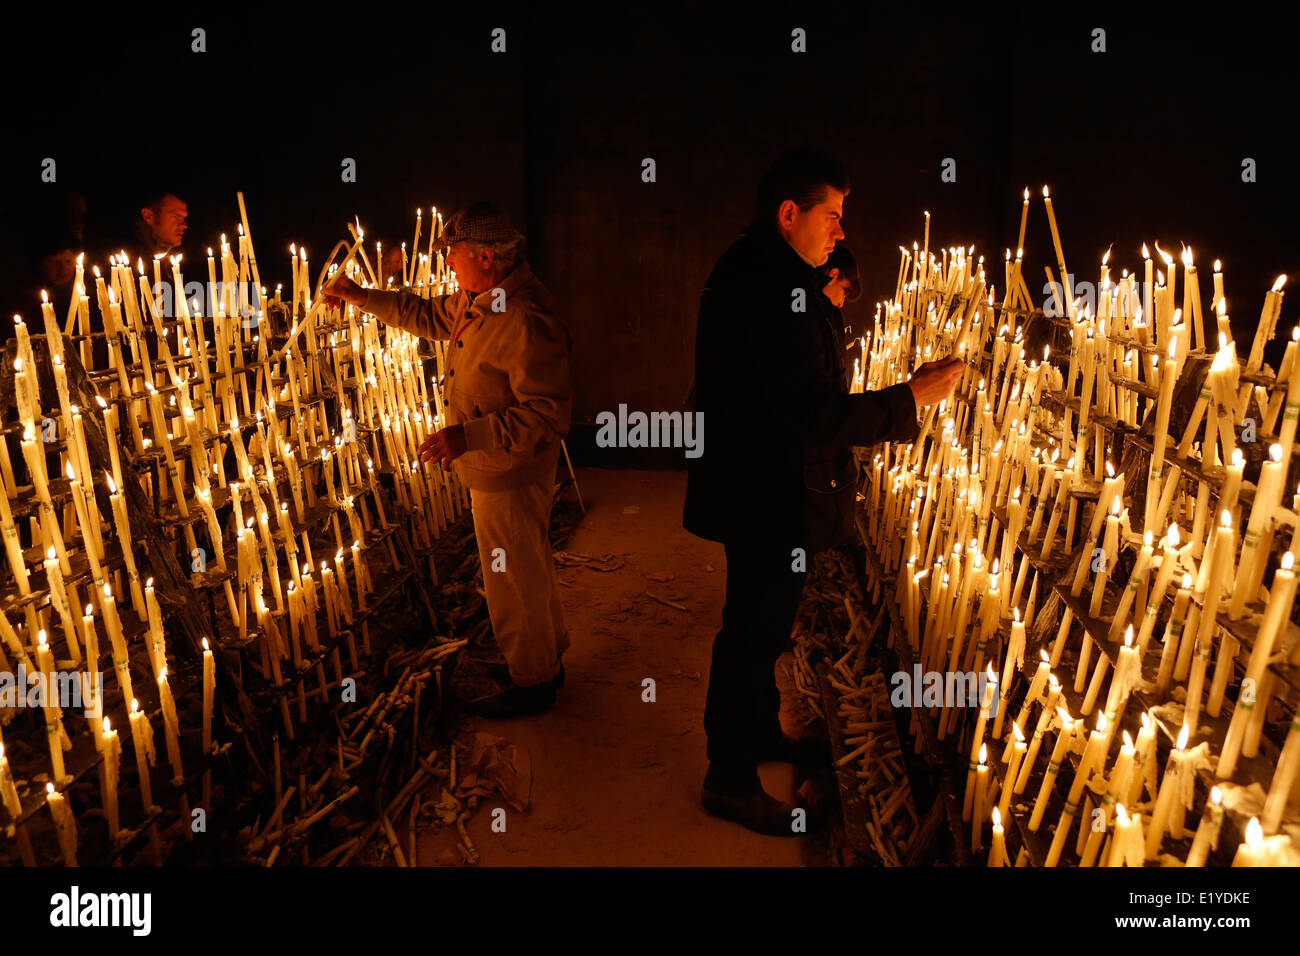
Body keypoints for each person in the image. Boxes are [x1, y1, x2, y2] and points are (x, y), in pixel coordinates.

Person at [683, 148, 964, 836]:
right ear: (790, 214)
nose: (841, 232)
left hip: (761, 484)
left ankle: (756, 738)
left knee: (763, 627)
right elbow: (812, 414)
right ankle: (728, 780)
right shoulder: (769, 288)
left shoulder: (767, 270)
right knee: (750, 634)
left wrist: (825, 299)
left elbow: (800, 347)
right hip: (764, 492)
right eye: (832, 216)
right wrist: (910, 397)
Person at [324, 202, 572, 719]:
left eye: (453, 254)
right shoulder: (480, 300)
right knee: (528, 562)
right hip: (497, 466)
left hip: (510, 470)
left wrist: (469, 436)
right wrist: (359, 295)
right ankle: (545, 659)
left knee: (511, 576)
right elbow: (425, 315)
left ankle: (533, 683)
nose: (448, 265)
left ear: (487, 256)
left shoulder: (522, 316)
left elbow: (547, 414)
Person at [124, 189, 188, 267]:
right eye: (177, 216)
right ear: (148, 216)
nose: (184, 225)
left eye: (184, 218)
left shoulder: (176, 260)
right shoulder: (127, 263)